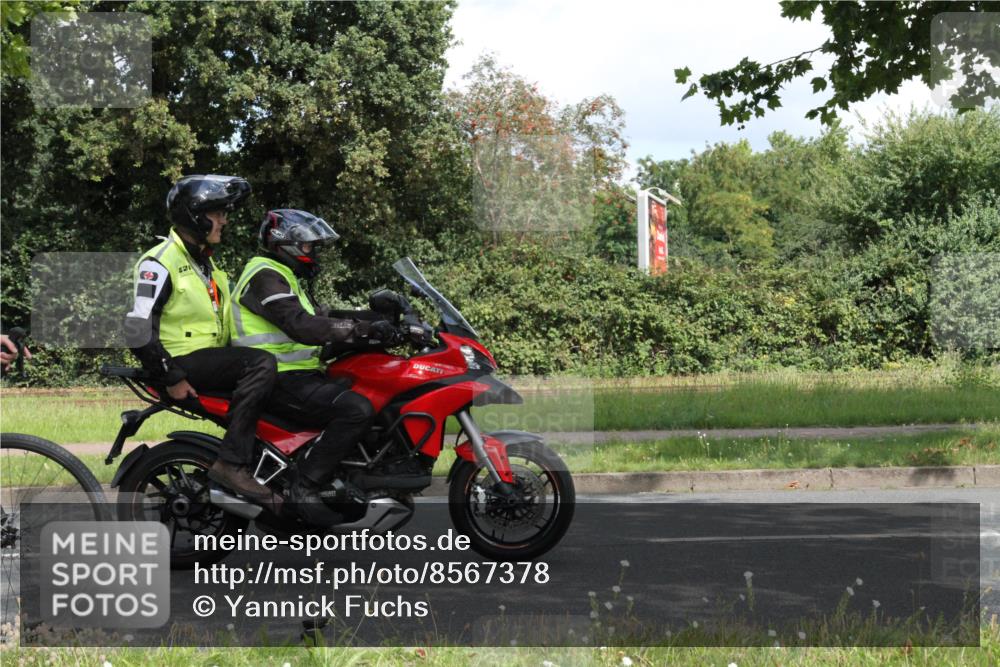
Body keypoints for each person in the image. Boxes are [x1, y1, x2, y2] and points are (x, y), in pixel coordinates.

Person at [228, 209, 421, 526]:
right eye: (309, 246)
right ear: (286, 244)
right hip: (274, 378)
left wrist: (386, 321)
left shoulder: (283, 276)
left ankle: (354, 477)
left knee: (366, 389)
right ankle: (304, 485)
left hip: (294, 375)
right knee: (356, 409)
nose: (313, 252)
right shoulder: (264, 275)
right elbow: (302, 326)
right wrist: (364, 331)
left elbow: (324, 316)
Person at [124, 175, 279, 509]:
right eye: (217, 212)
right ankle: (232, 464)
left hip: (207, 357)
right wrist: (172, 376)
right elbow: (137, 328)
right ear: (194, 214)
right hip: (180, 360)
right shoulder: (160, 262)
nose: (224, 220)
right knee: (260, 363)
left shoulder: (204, 262)